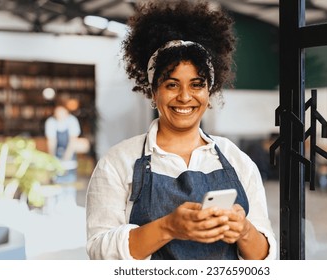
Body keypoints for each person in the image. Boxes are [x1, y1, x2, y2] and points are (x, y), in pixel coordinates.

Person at [86, 0, 277, 260]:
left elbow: (266, 257)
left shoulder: (237, 160)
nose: (185, 97)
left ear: (209, 93)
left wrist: (244, 232)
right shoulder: (117, 163)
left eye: (196, 84)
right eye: (172, 85)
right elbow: (99, 252)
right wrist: (168, 227)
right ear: (153, 93)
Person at [45, 101, 81, 183]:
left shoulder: (72, 121)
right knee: (55, 178)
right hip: (57, 151)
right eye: (57, 112)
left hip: (70, 152)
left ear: (67, 112)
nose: (59, 115)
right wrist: (52, 158)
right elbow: (51, 141)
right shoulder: (50, 122)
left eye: (62, 112)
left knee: (69, 177)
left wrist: (66, 159)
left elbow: (73, 142)